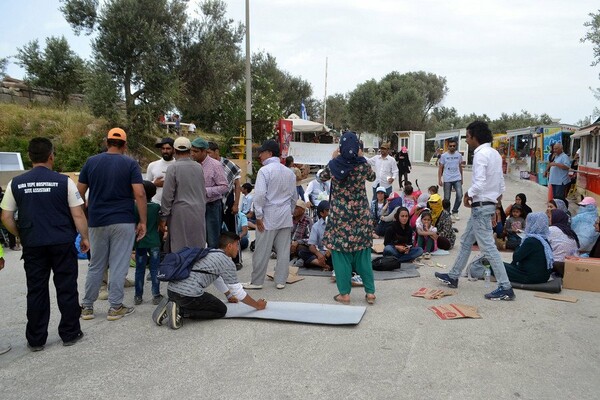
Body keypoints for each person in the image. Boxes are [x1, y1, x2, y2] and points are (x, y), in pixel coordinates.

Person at [1, 137, 89, 350]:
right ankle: (70, 333)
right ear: (51, 156)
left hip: (34, 244)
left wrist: (21, 234)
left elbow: (6, 217)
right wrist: (85, 237)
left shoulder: (16, 183)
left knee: (36, 290)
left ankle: (36, 339)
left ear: (29, 157)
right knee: (67, 287)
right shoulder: (63, 181)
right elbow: (78, 214)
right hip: (61, 242)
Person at [435, 120, 515, 300]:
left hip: (480, 206)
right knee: (465, 242)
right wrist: (496, 202)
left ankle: (505, 286)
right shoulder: (494, 153)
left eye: (468, 137)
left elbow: (479, 183)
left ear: (475, 137)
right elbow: (501, 183)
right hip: (486, 204)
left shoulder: (480, 155)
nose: (467, 141)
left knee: (488, 248)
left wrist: (467, 195)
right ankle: (454, 276)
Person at [78, 128, 146, 321]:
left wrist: (85, 212)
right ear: (124, 145)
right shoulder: (130, 163)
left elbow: (79, 192)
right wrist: (143, 221)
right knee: (118, 264)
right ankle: (115, 307)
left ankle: (87, 307)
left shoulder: (91, 162)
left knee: (96, 264)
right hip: (122, 220)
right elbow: (140, 194)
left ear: (106, 142)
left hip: (97, 221)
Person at [152, 232, 267, 330]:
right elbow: (237, 291)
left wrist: (228, 295)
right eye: (237, 245)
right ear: (229, 246)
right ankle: (181, 311)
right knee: (221, 310)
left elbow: (216, 277)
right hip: (188, 296)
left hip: (172, 291)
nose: (238, 248)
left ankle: (171, 303)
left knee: (202, 299)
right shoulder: (226, 262)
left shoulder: (209, 252)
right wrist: (257, 305)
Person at [321, 131, 376, 305]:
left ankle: (344, 294)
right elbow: (373, 177)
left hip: (340, 220)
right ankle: (370, 293)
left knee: (341, 256)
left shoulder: (334, 165)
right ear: (357, 147)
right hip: (361, 218)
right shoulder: (363, 165)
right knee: (363, 256)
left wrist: (332, 158)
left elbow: (320, 177)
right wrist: (362, 157)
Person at [244, 140, 297, 290]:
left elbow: (260, 195)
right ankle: (280, 280)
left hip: (268, 215)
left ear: (270, 153)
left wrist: (259, 216)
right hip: (285, 214)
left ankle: (257, 281)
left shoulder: (265, 171)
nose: (260, 155)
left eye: (262, 152)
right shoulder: (289, 172)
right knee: (283, 250)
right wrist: (290, 212)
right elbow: (294, 197)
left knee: (262, 250)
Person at [160, 137, 207, 252]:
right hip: (199, 211)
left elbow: (167, 196)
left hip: (180, 213)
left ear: (175, 151)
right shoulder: (198, 167)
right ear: (190, 150)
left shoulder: (173, 168)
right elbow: (202, 190)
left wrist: (163, 217)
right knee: (196, 246)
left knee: (180, 248)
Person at [190, 138, 228, 249]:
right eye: (192, 151)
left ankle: (214, 263)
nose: (193, 154)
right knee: (196, 237)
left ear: (204, 151)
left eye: (196, 151)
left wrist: (206, 191)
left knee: (212, 238)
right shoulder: (191, 164)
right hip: (195, 205)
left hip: (211, 205)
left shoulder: (215, 165)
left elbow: (224, 186)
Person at [501, 212, 554, 284]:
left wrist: (520, 244)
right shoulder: (544, 239)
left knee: (497, 265)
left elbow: (516, 257)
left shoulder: (531, 240)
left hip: (530, 277)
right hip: (544, 277)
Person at [133, 181, 162, 306]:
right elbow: (160, 224)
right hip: (154, 240)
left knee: (139, 269)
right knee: (155, 269)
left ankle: (138, 296)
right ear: (154, 193)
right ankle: (156, 295)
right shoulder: (156, 207)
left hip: (140, 241)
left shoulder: (135, 207)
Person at [207, 142, 242, 241]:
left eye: (209, 152)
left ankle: (236, 256)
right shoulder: (205, 165)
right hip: (213, 203)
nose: (207, 155)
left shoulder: (228, 164)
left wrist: (236, 204)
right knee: (214, 233)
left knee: (232, 233)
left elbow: (237, 185)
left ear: (216, 151)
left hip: (229, 202)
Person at [299, 200, 332, 270]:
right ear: (322, 213)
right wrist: (319, 254)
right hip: (321, 253)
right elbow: (311, 246)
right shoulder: (316, 226)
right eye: (327, 210)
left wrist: (330, 250)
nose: (330, 213)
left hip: (332, 253)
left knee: (340, 258)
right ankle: (322, 264)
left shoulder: (335, 224)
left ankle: (315, 263)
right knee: (302, 252)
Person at [438, 137, 464, 219]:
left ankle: (455, 211)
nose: (452, 147)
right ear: (448, 146)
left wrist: (462, 178)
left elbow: (460, 167)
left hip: (457, 178)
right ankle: (447, 214)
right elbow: (441, 168)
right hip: (447, 179)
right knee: (447, 198)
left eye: (454, 146)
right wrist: (439, 179)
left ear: (456, 146)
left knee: (460, 196)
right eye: (450, 146)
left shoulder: (459, 155)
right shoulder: (444, 156)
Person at [145, 137, 176, 205]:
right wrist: (154, 183)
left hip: (174, 206)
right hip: (155, 204)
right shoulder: (152, 165)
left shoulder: (178, 166)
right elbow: (145, 187)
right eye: (163, 148)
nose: (165, 151)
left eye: (168, 148)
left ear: (174, 150)